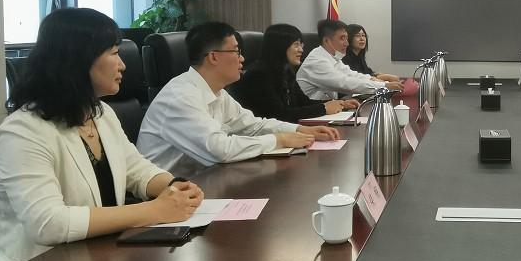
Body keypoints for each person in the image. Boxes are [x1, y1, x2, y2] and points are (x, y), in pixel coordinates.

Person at [0, 8, 204, 261]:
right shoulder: (23, 131)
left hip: (97, 260)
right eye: (114, 53)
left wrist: (175, 186)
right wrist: (155, 210)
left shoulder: (101, 113)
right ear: (78, 60)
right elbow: (48, 223)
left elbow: (135, 169)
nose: (123, 65)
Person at [137, 21, 339, 176]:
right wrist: (279, 139)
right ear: (213, 57)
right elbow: (219, 149)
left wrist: (299, 129)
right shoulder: (181, 96)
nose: (242, 58)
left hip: (204, 181)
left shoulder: (217, 92)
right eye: (236, 51)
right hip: (164, 196)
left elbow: (253, 125)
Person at [237, 24, 359, 122]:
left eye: (301, 45)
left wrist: (339, 104)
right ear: (280, 46)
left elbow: (303, 102)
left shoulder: (286, 72)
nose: (301, 50)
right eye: (296, 45)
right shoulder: (259, 75)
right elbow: (279, 115)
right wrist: (324, 108)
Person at [297, 19, 404, 100]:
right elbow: (345, 83)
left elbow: (352, 75)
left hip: (327, 109)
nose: (347, 43)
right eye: (342, 38)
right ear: (326, 41)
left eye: (346, 38)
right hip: (309, 115)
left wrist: (377, 81)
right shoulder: (317, 61)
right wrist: (384, 86)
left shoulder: (333, 58)